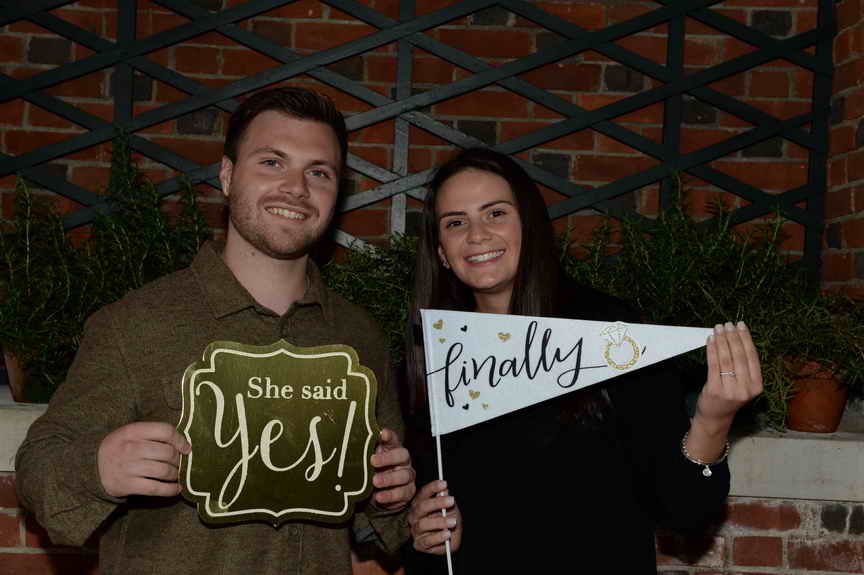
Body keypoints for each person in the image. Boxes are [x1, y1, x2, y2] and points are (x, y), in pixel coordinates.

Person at [15, 87, 416, 575]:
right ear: (227, 176)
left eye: (318, 172)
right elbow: (39, 464)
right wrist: (96, 469)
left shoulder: (358, 334)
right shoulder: (136, 324)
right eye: (272, 162)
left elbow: (380, 508)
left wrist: (393, 495)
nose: (296, 187)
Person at [402, 148, 762, 573]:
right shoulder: (432, 355)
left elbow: (682, 510)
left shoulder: (612, 335)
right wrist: (421, 528)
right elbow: (423, 518)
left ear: (531, 226)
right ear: (441, 251)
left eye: (495, 213)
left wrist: (712, 421)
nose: (477, 234)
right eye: (455, 222)